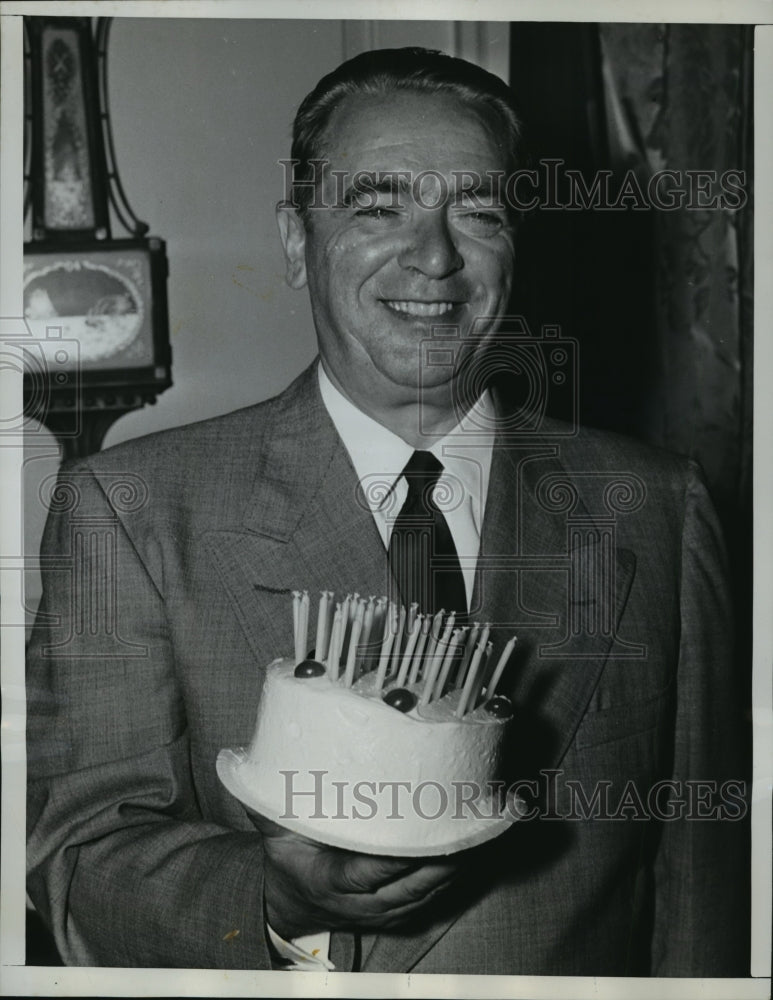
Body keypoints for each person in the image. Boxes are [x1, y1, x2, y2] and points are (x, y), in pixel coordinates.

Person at [26, 47, 748, 975]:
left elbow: (703, 901)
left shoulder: (660, 510)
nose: (436, 256)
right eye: (379, 207)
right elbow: (80, 860)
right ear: (296, 240)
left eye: (478, 211)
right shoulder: (132, 512)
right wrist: (271, 896)